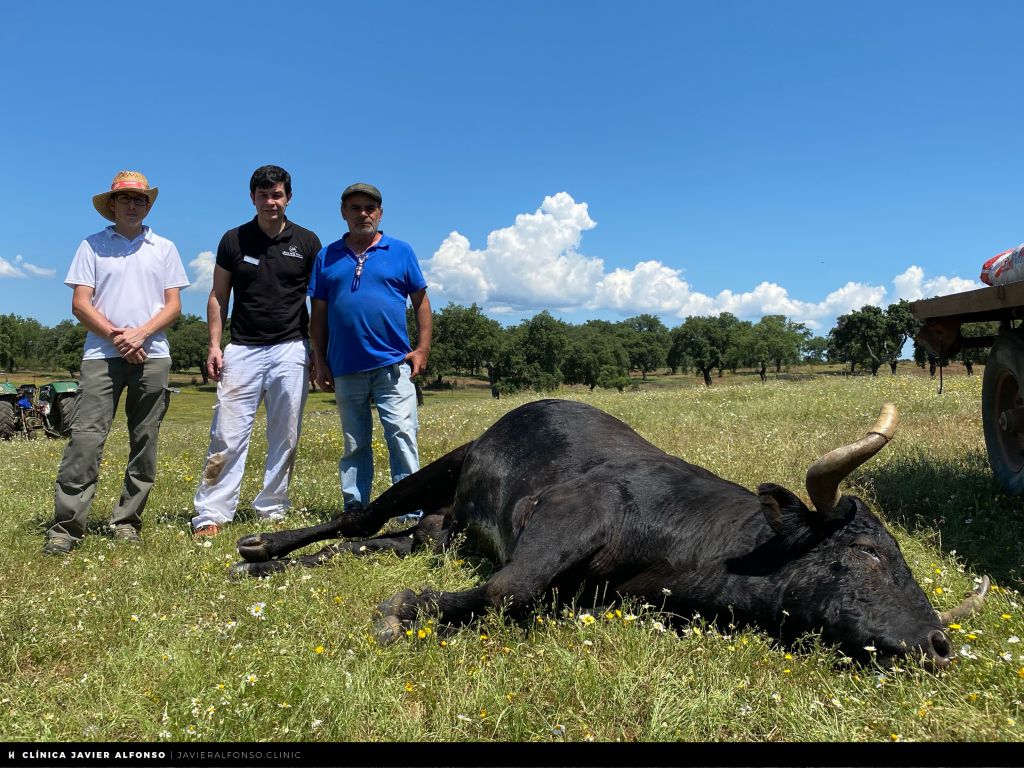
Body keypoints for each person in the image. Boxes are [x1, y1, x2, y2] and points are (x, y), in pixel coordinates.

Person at [42, 170, 189, 555]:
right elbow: (80, 304)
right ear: (112, 205)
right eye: (125, 198)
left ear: (148, 206)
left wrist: (140, 335)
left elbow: (173, 305)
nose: (132, 205)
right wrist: (118, 337)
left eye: (140, 199)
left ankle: (127, 522)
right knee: (85, 439)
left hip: (152, 355)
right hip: (101, 356)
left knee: (145, 440)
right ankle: (66, 528)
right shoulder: (91, 246)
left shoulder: (164, 248)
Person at [191, 166, 322, 537]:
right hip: (243, 348)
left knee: (286, 434)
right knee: (227, 434)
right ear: (252, 198)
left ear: (288, 197)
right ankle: (211, 514)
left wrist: (317, 350)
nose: (270, 202)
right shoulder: (233, 239)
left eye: (277, 195)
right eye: (263, 195)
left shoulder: (308, 242)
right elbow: (219, 295)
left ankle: (272, 508)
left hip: (291, 347)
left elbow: (319, 303)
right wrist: (214, 345)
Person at [309, 182, 431, 520]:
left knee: (402, 435)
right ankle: (356, 509)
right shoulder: (327, 256)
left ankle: (409, 510)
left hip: (392, 364)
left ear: (380, 213)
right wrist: (320, 361)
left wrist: (422, 348)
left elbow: (421, 303)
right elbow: (318, 316)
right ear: (343, 213)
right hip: (345, 366)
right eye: (355, 208)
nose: (363, 214)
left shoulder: (401, 251)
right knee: (355, 443)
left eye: (369, 208)